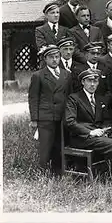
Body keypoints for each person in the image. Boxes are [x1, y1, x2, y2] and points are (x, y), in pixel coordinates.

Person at [64, 68, 112, 183]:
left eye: (95, 81)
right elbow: (70, 122)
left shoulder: (100, 98)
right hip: (82, 137)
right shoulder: (74, 98)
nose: (92, 84)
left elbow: (107, 119)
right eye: (89, 81)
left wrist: (105, 130)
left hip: (100, 133)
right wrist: (90, 132)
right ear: (82, 82)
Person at [28, 44, 71, 174]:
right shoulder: (39, 75)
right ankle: (43, 171)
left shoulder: (66, 74)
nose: (54, 60)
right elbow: (33, 98)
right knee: (46, 145)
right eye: (51, 57)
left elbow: (70, 96)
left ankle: (58, 170)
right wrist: (34, 119)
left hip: (62, 115)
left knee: (59, 144)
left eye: (57, 57)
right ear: (45, 59)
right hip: (46, 117)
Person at [72, 42, 112, 107]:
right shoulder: (79, 69)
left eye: (98, 54)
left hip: (102, 105)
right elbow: (77, 89)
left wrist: (104, 102)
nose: (95, 56)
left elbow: (109, 90)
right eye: (93, 53)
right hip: (84, 105)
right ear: (86, 54)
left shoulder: (105, 68)